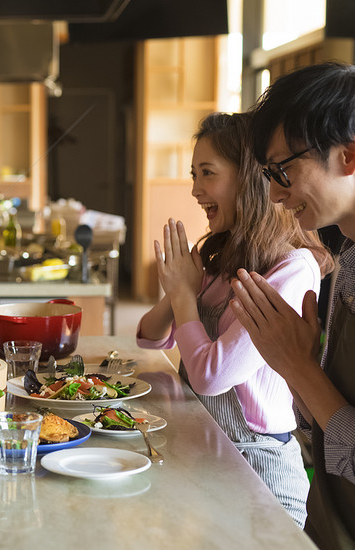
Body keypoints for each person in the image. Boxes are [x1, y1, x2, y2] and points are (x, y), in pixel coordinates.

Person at [136, 112, 333, 526]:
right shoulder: (224, 256)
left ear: (248, 177)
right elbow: (149, 337)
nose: (195, 190)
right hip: (207, 455)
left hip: (260, 471)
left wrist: (185, 295)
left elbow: (211, 373)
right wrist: (177, 291)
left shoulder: (292, 270)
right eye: (194, 174)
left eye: (207, 173)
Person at [230, 62, 355, 550]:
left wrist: (297, 367)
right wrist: (297, 370)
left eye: (283, 170)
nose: (276, 194)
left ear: (348, 155)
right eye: (266, 174)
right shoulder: (342, 251)